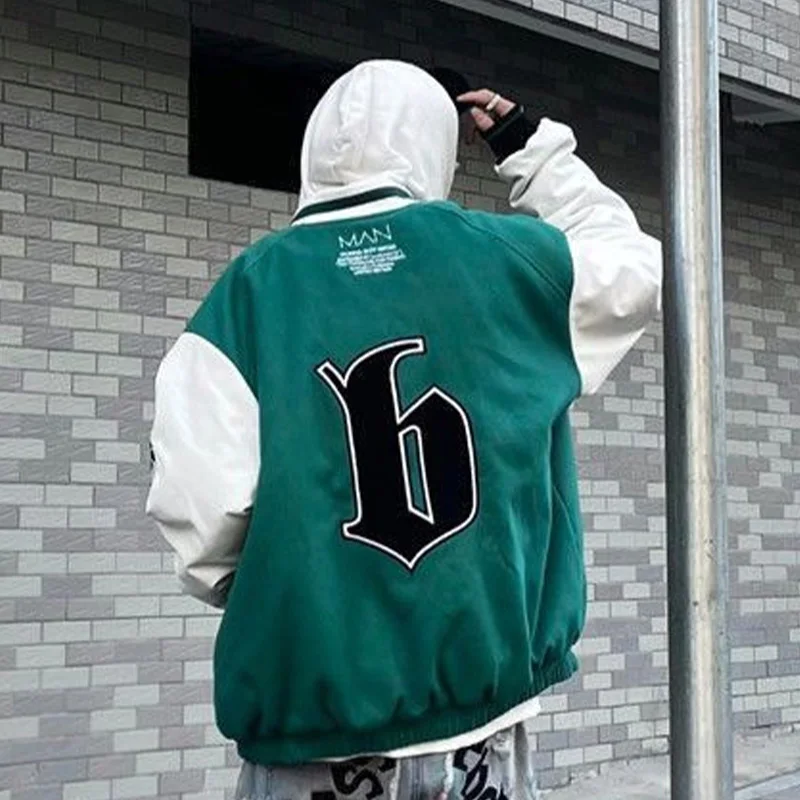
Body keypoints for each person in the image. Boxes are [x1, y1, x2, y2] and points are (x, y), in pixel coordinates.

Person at [147, 60, 661, 800]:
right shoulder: (507, 262)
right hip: (481, 735)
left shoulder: (246, 293)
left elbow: (199, 519)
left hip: (314, 742)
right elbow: (635, 266)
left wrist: (300, 588)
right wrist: (534, 151)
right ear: (434, 147)